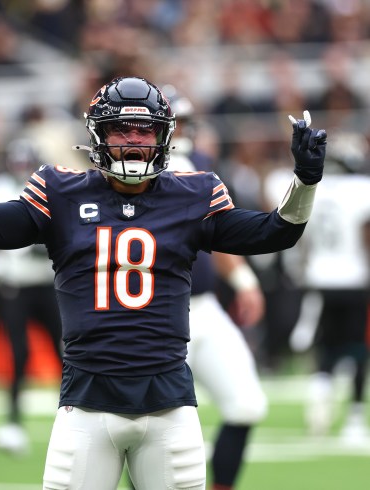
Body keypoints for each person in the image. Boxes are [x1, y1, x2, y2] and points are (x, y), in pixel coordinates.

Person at [0, 77, 327, 490]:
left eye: (144, 130)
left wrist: (305, 180)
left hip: (169, 407)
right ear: (97, 135)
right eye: (120, 130)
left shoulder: (193, 193)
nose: (133, 141)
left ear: (163, 136)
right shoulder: (60, 192)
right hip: (86, 405)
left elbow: (277, 232)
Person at [165, 91, 268, 490]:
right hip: (155, 311)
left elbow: (219, 234)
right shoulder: (131, 175)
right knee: (144, 423)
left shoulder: (202, 167)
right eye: (176, 124)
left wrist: (244, 280)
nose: (183, 133)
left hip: (204, 307)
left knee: (246, 403)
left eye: (186, 124)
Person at [0, 138, 63, 454]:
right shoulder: (1, 189)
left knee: (66, 350)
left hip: (45, 283)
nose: (22, 171)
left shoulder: (50, 189)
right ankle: (13, 420)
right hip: (13, 285)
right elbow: (9, 241)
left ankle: (75, 410)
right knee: (18, 353)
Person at [286, 131, 370, 442]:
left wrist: (304, 272)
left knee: (325, 349)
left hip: (320, 279)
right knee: (358, 349)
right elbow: (366, 236)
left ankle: (319, 408)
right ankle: (355, 419)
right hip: (354, 279)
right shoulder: (362, 189)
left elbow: (302, 239)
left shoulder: (315, 189)